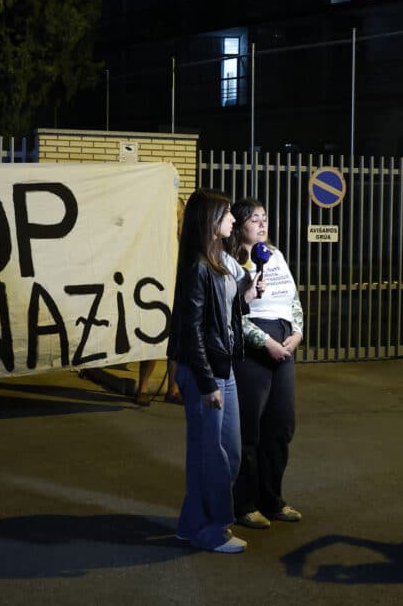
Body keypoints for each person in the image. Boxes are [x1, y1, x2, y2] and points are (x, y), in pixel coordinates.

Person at [166, 188, 256, 553]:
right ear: (211, 220)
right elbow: (192, 331)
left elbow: (224, 314)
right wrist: (207, 382)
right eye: (227, 214)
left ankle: (191, 524)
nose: (234, 219)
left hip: (221, 368)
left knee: (223, 452)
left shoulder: (217, 259)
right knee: (214, 456)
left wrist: (245, 298)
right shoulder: (198, 267)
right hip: (205, 372)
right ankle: (211, 531)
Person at [227, 198, 305, 530]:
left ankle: (272, 499)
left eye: (265, 218)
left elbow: (293, 298)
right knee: (249, 430)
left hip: (284, 340)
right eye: (254, 219)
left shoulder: (276, 254)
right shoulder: (231, 261)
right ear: (239, 225)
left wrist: (298, 332)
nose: (262, 224)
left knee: (281, 426)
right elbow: (231, 314)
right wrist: (265, 342)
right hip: (254, 346)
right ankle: (243, 504)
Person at [135, 197, 186, 406]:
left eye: (178, 212)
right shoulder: (155, 238)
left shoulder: (184, 240)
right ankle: (143, 387)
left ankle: (173, 389)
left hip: (178, 293)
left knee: (176, 344)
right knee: (153, 339)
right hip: (157, 294)